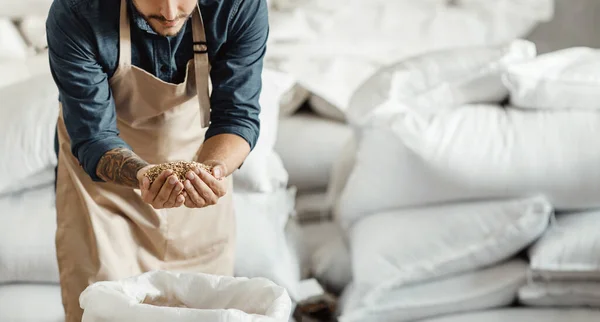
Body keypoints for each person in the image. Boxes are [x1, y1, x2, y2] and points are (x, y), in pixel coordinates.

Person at [46, 0, 268, 320]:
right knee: (105, 309)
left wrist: (208, 171)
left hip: (199, 179)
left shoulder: (237, 5)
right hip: (104, 200)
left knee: (205, 310)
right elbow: (93, 136)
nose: (169, 12)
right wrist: (143, 174)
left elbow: (237, 115)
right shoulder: (79, 10)